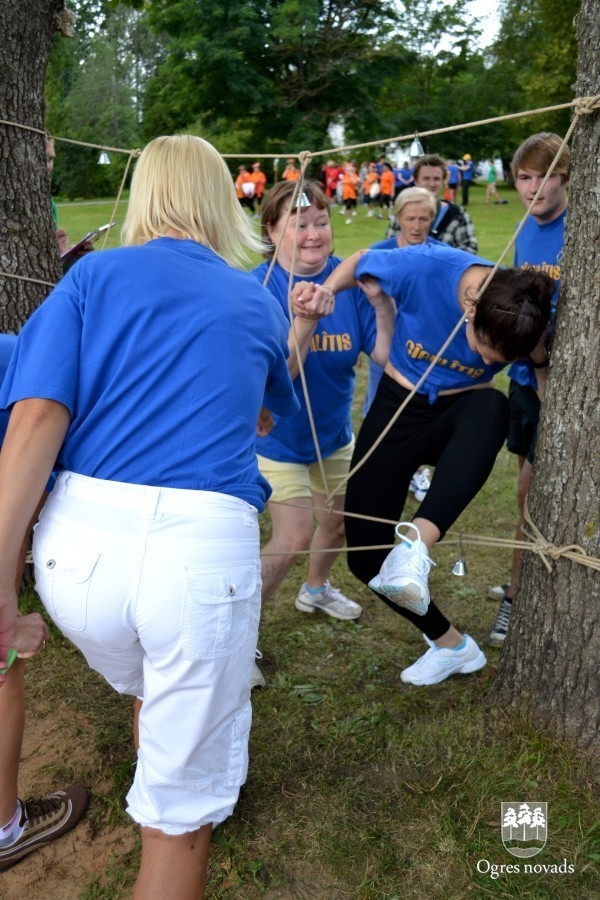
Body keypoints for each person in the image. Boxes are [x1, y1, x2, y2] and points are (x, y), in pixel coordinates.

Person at [0, 134, 298, 898]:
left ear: (144, 196)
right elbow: (269, 415)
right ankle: (172, 800)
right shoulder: (255, 299)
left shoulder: (92, 275)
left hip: (79, 562)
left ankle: (164, 754)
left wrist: (3, 579)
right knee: (178, 821)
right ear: (219, 198)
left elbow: (36, 419)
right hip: (200, 560)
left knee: (148, 682)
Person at [295, 241, 554, 686]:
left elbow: (543, 383)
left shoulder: (527, 316)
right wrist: (326, 292)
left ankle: (415, 548)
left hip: (459, 415)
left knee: (492, 403)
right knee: (364, 556)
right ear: (472, 312)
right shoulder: (427, 267)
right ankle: (452, 645)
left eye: (501, 360)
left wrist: (542, 363)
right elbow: (359, 260)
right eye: (485, 349)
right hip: (398, 407)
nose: (489, 361)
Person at [251, 180, 396, 662]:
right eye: (299, 223)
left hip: (333, 436)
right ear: (272, 231)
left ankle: (315, 589)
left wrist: (379, 304)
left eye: (321, 222)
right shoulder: (258, 287)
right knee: (291, 537)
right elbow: (281, 374)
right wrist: (306, 319)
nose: (314, 234)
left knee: (335, 524)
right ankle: (238, 636)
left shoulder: (349, 282)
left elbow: (381, 351)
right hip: (275, 440)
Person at [488, 133, 569, 647]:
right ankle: (526, 578)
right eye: (524, 177)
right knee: (528, 488)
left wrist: (545, 363)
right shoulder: (525, 228)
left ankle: (515, 599)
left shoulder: (578, 227)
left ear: (566, 177)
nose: (533, 187)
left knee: (528, 491)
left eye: (544, 175)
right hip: (524, 376)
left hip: (557, 379)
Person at [386, 154, 478, 254]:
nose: (432, 184)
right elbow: (389, 249)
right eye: (426, 178)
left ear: (443, 181)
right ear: (416, 181)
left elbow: (470, 249)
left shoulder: (457, 214)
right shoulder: (403, 211)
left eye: (437, 179)